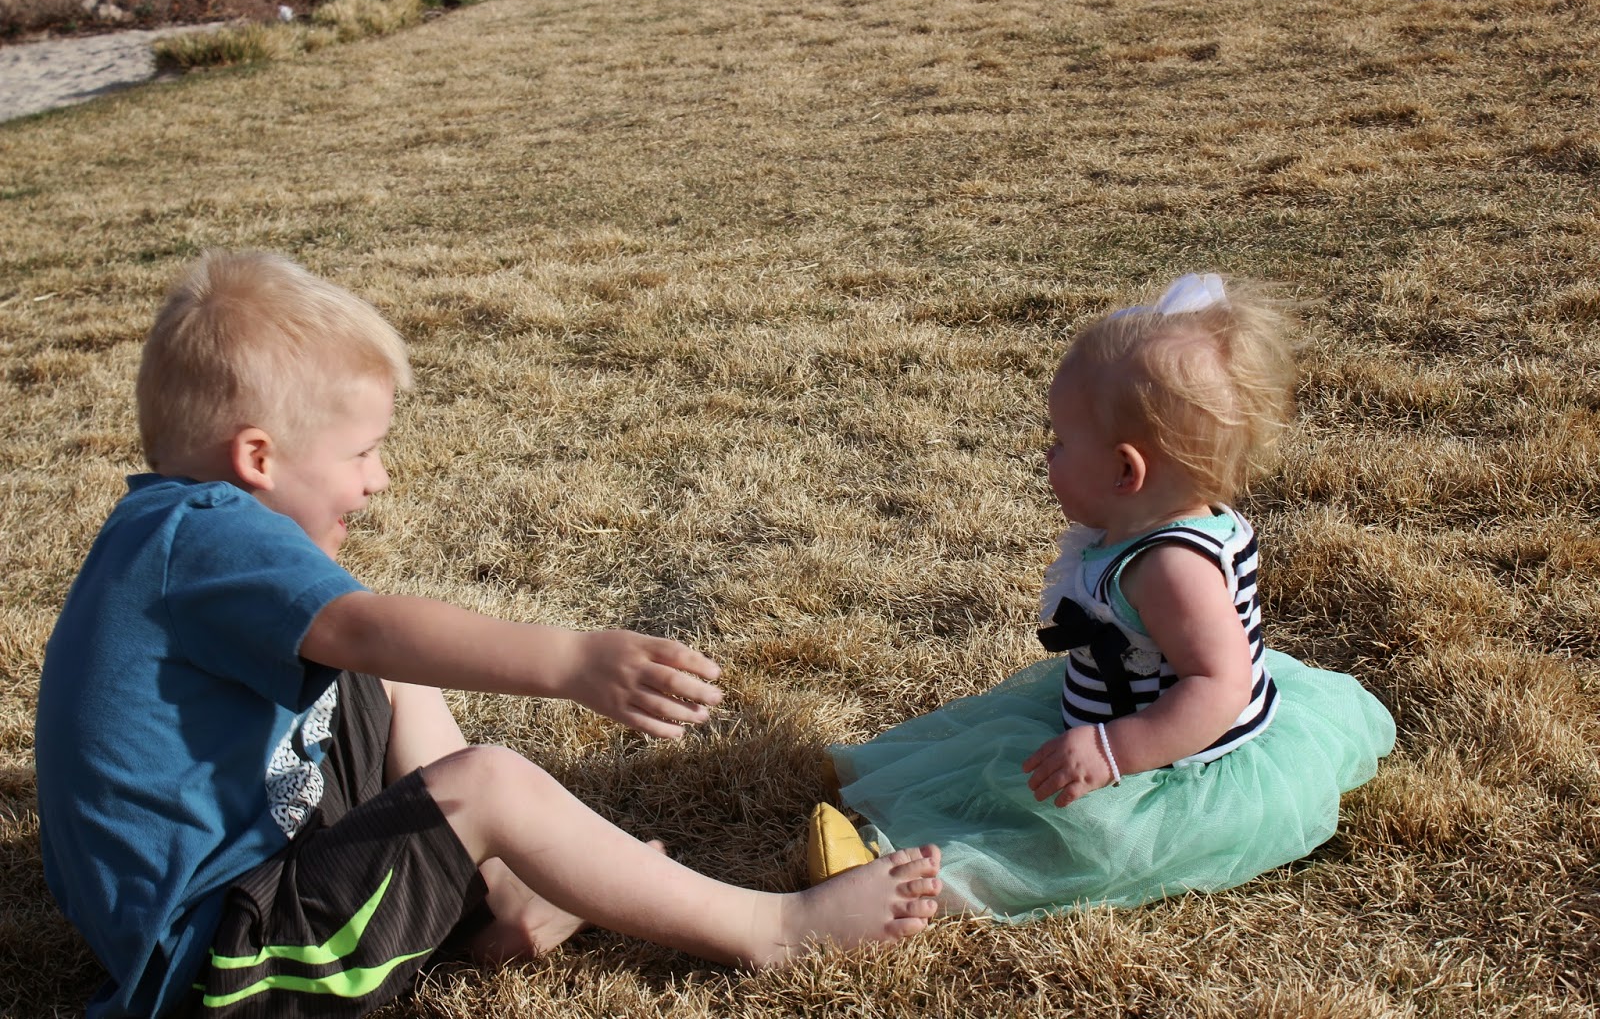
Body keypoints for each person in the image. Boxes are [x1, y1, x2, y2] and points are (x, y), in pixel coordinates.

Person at [33, 251, 942, 1019]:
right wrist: (573, 661)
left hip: (255, 895)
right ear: (257, 458)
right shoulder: (203, 532)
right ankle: (773, 931)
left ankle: (498, 897)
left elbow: (370, 646)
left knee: (384, 669)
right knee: (484, 776)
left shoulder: (168, 533)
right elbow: (366, 627)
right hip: (229, 973)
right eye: (360, 453)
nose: (379, 479)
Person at [814, 273, 1394, 918]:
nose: (1048, 456)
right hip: (1114, 712)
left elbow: (1219, 684)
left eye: (1061, 442)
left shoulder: (1171, 567)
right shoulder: (1142, 528)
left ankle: (913, 881)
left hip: (1169, 762)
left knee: (1069, 843)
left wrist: (1116, 751)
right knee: (1004, 769)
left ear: (1125, 470)